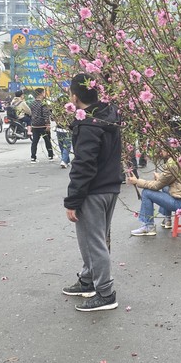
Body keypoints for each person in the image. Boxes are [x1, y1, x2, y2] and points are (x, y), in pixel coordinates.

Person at [62, 74, 122, 312]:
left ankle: (105, 293)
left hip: (94, 192)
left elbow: (83, 166)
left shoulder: (87, 125)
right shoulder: (109, 116)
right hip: (111, 187)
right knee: (96, 238)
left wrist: (72, 200)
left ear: (75, 98)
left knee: (93, 242)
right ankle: (88, 280)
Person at [126, 149, 181, 235]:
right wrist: (160, 178)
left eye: (162, 150)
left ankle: (148, 226)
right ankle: (167, 219)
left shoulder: (173, 164)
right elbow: (170, 181)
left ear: (169, 151)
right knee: (165, 187)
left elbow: (156, 186)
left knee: (146, 193)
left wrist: (137, 181)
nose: (161, 152)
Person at [28, 88, 54, 163]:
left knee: (34, 142)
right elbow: (45, 114)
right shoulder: (43, 103)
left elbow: (30, 113)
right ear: (41, 93)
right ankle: (50, 155)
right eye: (44, 93)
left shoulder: (32, 103)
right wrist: (48, 124)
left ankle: (33, 157)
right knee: (47, 140)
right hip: (43, 125)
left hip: (35, 125)